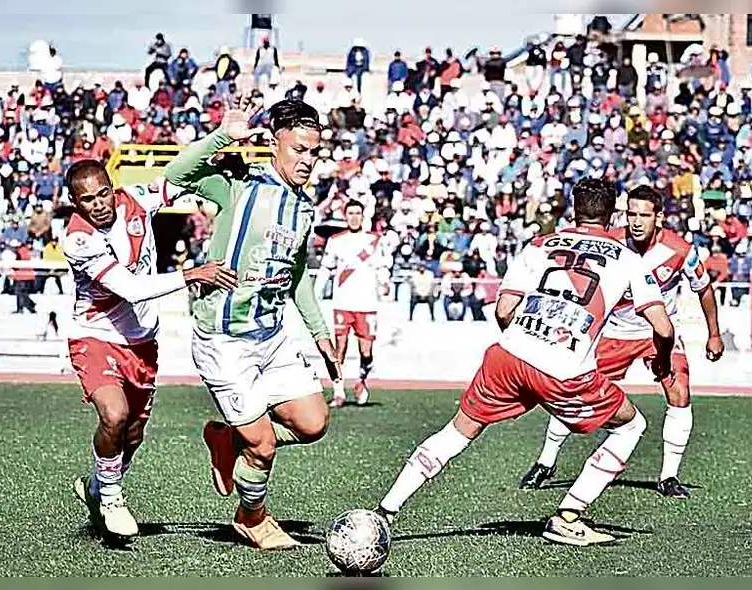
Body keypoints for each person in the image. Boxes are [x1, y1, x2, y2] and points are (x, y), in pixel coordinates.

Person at [374, 179, 677, 547]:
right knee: (631, 426)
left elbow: (504, 310)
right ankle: (568, 517)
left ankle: (384, 512)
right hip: (563, 370)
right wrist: (661, 361)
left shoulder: (539, 245)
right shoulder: (629, 260)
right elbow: (662, 326)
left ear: (574, 211)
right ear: (613, 215)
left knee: (457, 432)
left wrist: (527, 343)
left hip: (508, 354)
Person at [165, 97, 341, 550]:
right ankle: (252, 519)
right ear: (276, 143)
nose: (308, 160)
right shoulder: (239, 184)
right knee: (262, 445)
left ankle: (227, 438)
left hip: (272, 334)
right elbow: (176, 175)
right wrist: (224, 135)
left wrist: (320, 331)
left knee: (313, 423)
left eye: (314, 152)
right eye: (299, 149)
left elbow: (296, 274)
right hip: (223, 339)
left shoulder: (304, 208)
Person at [64, 160, 239, 540]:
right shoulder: (78, 239)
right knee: (115, 415)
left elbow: (182, 177)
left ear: (114, 187)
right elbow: (131, 288)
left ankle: (95, 486)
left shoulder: (137, 200)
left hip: (142, 342)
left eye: (103, 193)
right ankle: (111, 497)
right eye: (87, 199)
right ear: (75, 203)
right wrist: (192, 273)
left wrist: (221, 149)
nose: (98, 204)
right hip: (95, 336)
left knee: (133, 435)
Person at [520, 185, 723, 499]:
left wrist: (714, 333)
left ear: (660, 217)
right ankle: (546, 461)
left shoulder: (680, 250)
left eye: (644, 215)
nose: (637, 221)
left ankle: (669, 476)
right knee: (572, 391)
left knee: (680, 391)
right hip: (612, 333)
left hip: (658, 334)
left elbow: (704, 289)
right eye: (631, 214)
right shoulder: (609, 242)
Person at [319, 199, 391, 407]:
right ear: (345, 215)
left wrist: (384, 283)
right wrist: (317, 292)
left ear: (363, 215)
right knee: (339, 347)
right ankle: (339, 391)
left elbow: (382, 267)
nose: (354, 217)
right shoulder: (335, 240)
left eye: (357, 213)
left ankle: (361, 381)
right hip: (343, 301)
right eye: (350, 213)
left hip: (367, 303)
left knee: (366, 351)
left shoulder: (375, 240)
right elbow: (326, 268)